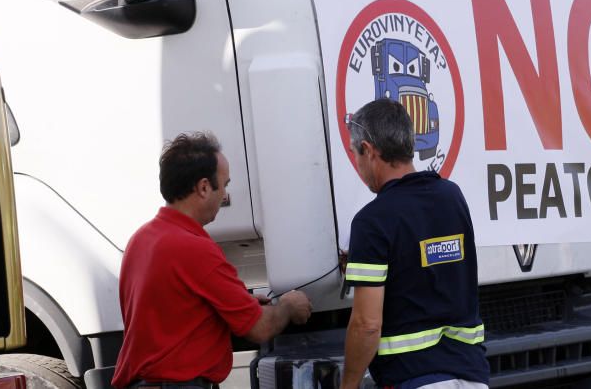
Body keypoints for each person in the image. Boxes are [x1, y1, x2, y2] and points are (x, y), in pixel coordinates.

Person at [112, 132, 312, 389]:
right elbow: (260, 328)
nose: (225, 196)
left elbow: (172, 315)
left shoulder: (141, 240)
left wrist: (239, 305)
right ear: (204, 187)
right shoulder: (194, 248)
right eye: (224, 184)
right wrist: (288, 306)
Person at [341, 99, 489, 389]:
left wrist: (348, 384)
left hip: (413, 378)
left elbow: (367, 325)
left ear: (369, 151)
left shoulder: (371, 222)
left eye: (355, 154)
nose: (357, 164)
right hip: (471, 375)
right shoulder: (452, 197)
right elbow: (426, 266)